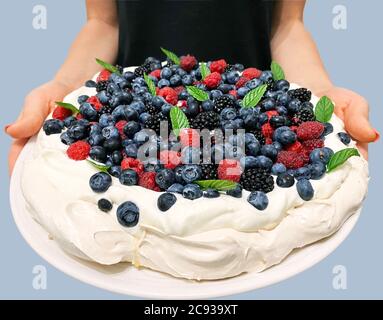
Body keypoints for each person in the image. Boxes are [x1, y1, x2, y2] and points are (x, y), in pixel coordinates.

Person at [6, 0, 379, 173]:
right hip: (138, 136)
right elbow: (104, 22)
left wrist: (317, 91)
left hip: (250, 123)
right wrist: (65, 88)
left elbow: (286, 25)